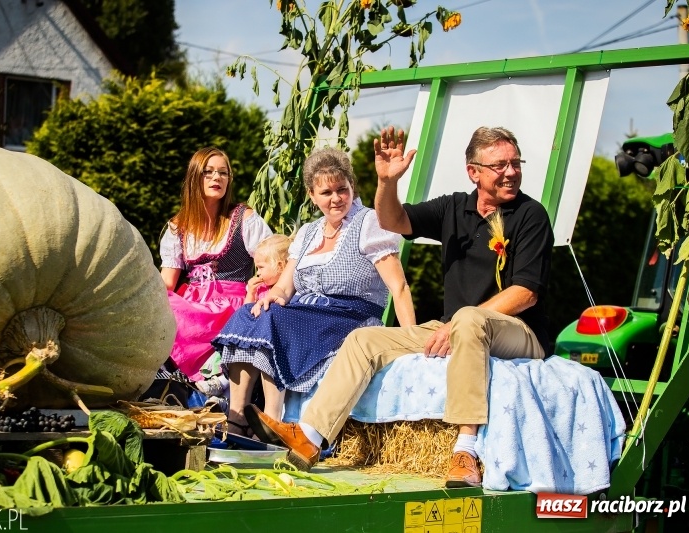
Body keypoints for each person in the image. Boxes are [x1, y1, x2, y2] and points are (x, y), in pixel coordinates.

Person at [243, 126, 554, 489]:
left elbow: (526, 293)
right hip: (455, 324)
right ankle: (310, 436)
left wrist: (458, 324)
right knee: (363, 340)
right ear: (474, 171)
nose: (512, 172)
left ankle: (465, 452)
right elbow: (393, 221)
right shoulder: (454, 207)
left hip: (519, 331)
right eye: (500, 165)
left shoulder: (531, 214)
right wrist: (387, 181)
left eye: (516, 163)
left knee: (468, 319)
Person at [213, 147, 416, 437]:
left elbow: (399, 286)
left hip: (349, 317)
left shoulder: (369, 223)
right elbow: (285, 286)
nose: (336, 198)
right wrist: (274, 296)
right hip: (307, 315)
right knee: (250, 313)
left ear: (352, 187)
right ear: (312, 195)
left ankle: (273, 420)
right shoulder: (308, 232)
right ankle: (237, 417)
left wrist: (411, 339)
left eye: (341, 189)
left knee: (277, 320)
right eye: (326, 192)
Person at [154, 146, 273, 398]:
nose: (216, 178)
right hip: (194, 308)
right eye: (208, 172)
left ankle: (220, 379)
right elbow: (167, 282)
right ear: (195, 177)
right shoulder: (178, 227)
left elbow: (273, 260)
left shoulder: (243, 218)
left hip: (232, 303)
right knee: (161, 303)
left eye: (223, 173)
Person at [244, 234, 293, 304]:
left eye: (260, 267)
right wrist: (251, 293)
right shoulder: (259, 288)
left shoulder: (291, 290)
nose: (258, 273)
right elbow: (246, 310)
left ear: (280, 266)